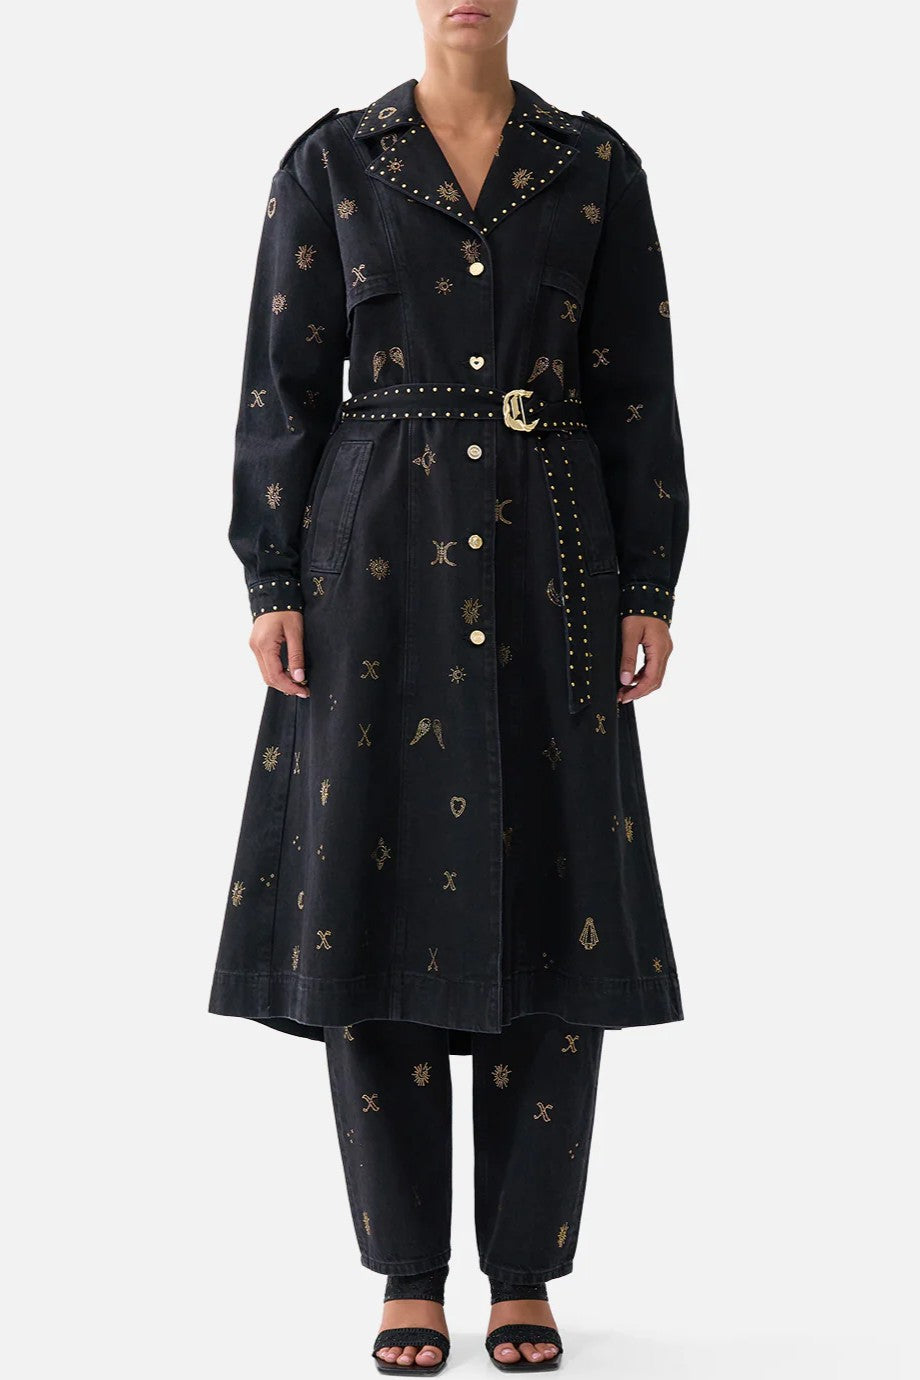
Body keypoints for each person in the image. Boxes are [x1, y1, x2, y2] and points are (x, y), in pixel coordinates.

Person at [208, 1, 689, 1371]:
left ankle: (525, 1270)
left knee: (559, 896)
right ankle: (408, 1272)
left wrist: (649, 582)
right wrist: (271, 578)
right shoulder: (330, 162)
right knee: (375, 893)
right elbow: (282, 387)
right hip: (372, 569)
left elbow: (637, 387)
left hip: (557, 560)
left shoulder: (594, 165)